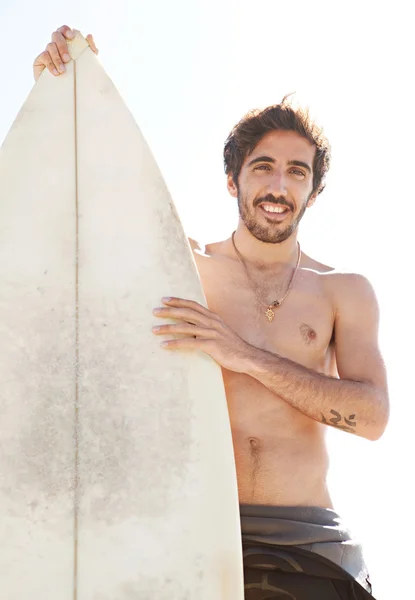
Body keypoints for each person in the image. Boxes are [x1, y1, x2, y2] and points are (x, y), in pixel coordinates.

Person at [33, 26, 390, 599]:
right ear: (232, 179)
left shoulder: (342, 291)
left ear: (313, 193)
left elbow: (372, 417)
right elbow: (77, 235)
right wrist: (63, 95)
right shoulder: (182, 269)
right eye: (263, 166)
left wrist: (242, 356)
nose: (278, 185)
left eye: (297, 172)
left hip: (309, 545)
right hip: (192, 529)